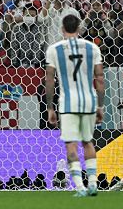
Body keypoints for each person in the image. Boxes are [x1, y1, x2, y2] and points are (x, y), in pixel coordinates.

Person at [45, 14, 105, 197]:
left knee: (71, 143)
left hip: (68, 102)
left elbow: (49, 79)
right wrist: (100, 105)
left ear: (62, 29)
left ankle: (79, 187)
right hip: (89, 101)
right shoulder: (92, 47)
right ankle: (93, 183)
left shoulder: (54, 49)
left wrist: (50, 107)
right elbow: (100, 79)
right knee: (88, 141)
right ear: (79, 29)